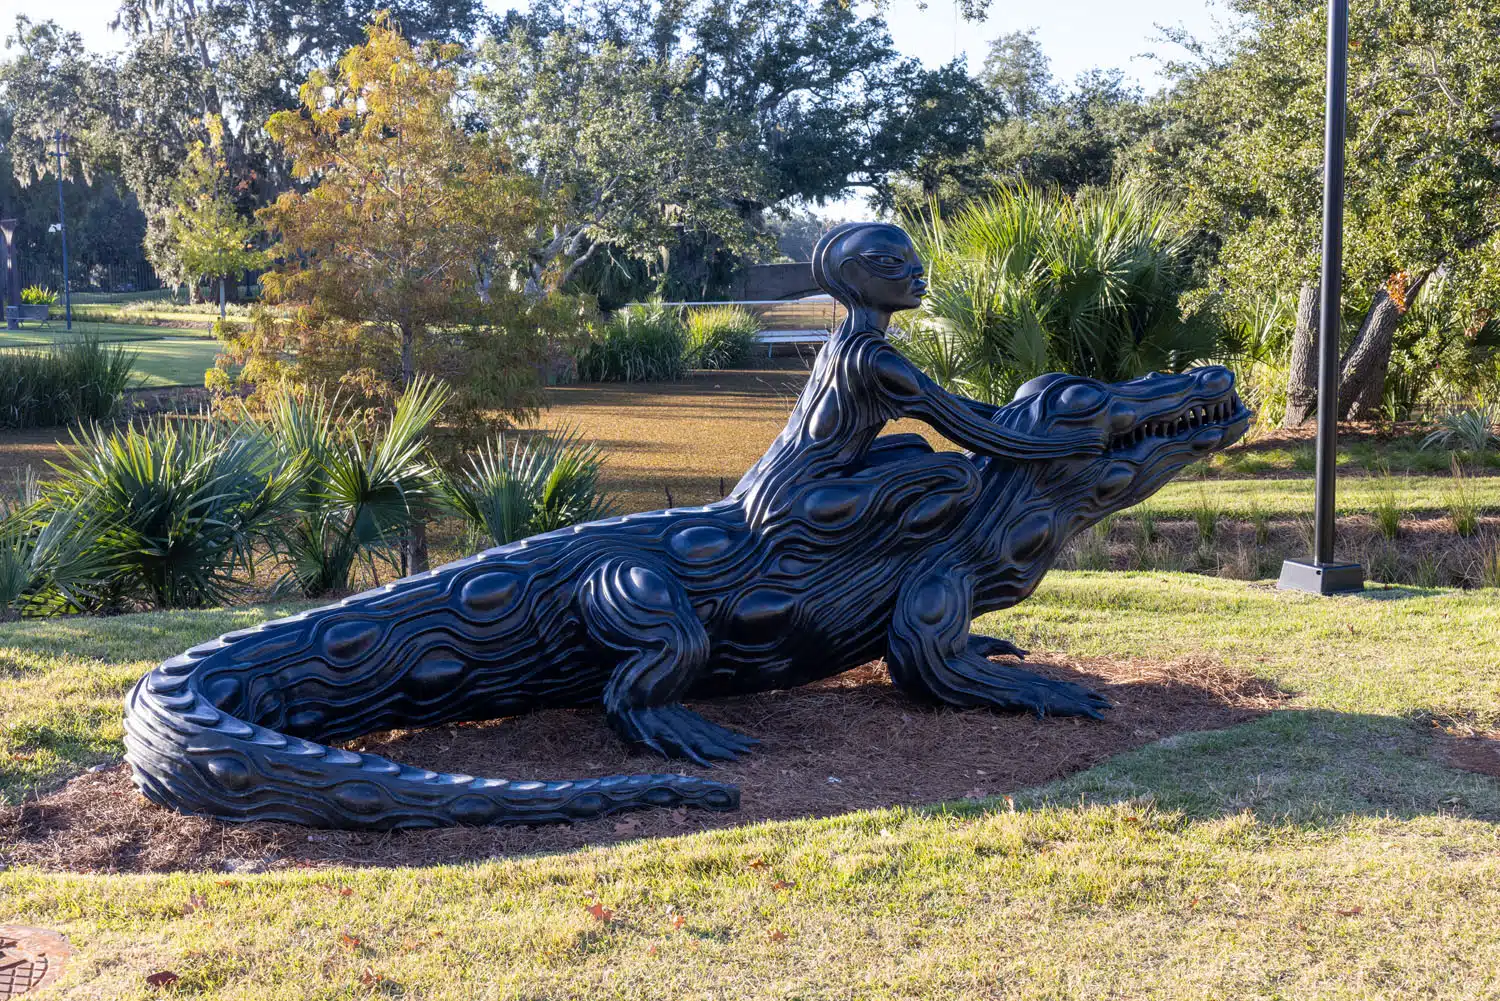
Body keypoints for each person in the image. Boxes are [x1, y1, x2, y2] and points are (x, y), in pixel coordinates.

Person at [732, 222, 1103, 534]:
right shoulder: (873, 360)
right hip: (805, 496)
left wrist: (1028, 412)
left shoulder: (845, 342)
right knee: (956, 473)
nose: (917, 276)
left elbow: (957, 407)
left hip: (780, 481)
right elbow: (971, 431)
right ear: (851, 275)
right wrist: (1065, 446)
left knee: (911, 446)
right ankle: (906, 563)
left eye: (916, 264)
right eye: (894, 264)